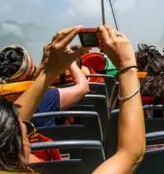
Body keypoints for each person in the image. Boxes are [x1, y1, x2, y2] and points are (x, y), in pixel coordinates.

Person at [0, 25, 145, 173]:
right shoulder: (50, 96)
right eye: (27, 130)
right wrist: (127, 66)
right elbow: (130, 153)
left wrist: (49, 71)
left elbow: (13, 121)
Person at [0, 45, 89, 127]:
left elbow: (33, 81)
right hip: (45, 141)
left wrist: (44, 63)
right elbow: (83, 88)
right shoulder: (46, 96)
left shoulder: (3, 101)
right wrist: (70, 59)